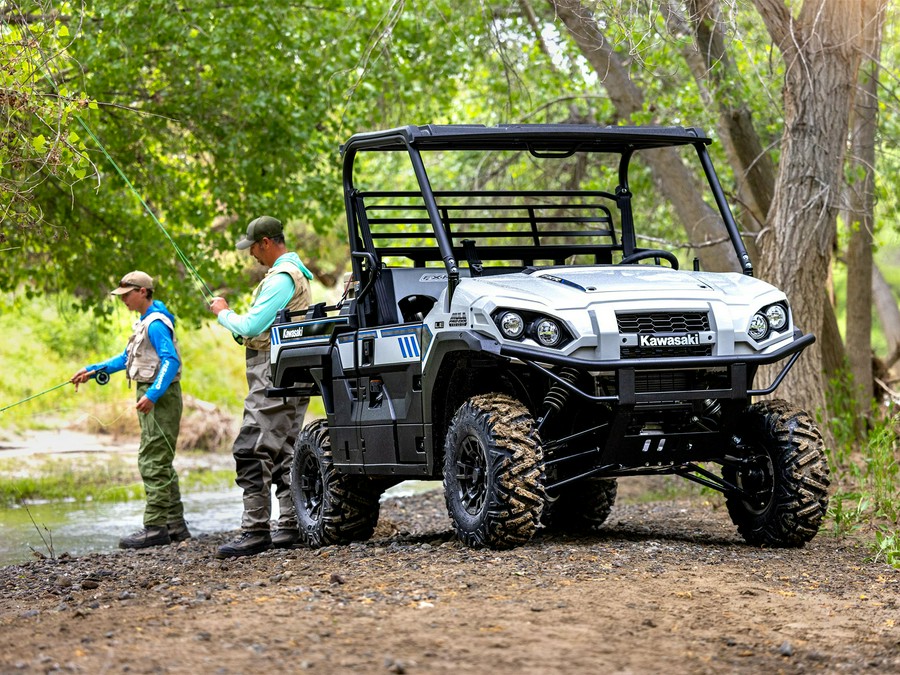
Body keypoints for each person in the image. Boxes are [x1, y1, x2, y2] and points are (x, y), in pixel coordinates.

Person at [209, 216, 313, 558]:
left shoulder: (281, 278)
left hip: (273, 374)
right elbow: (259, 328)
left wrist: (224, 314)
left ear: (266, 242)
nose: (251, 254)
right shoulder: (293, 273)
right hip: (288, 370)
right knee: (285, 449)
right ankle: (289, 525)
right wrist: (242, 328)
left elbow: (253, 323)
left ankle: (254, 530)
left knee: (250, 448)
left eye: (252, 247)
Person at [70, 271, 189, 549]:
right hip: (155, 396)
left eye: (127, 295)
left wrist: (153, 394)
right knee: (160, 460)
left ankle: (155, 528)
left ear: (143, 292)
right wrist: (92, 370)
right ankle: (175, 526)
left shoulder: (157, 324)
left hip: (161, 398)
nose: (123, 300)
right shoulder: (145, 322)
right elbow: (126, 358)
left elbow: (170, 361)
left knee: (152, 460)